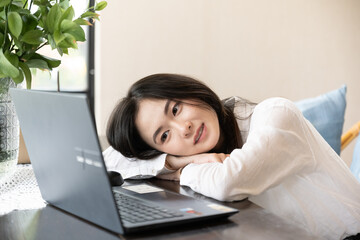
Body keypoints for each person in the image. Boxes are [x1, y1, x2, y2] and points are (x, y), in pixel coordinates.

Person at [104, 73, 360, 239]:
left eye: (176, 109)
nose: (184, 128)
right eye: (164, 136)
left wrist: (183, 171)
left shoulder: (277, 114)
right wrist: (177, 161)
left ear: (190, 90)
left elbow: (228, 181)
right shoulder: (197, 155)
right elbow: (109, 160)